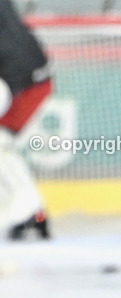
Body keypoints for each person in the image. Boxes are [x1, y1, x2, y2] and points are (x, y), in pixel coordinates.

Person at [0, 0, 51, 240]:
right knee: (2, 144)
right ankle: (33, 214)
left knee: (1, 143)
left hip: (23, 83)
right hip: (31, 78)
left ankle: (31, 213)